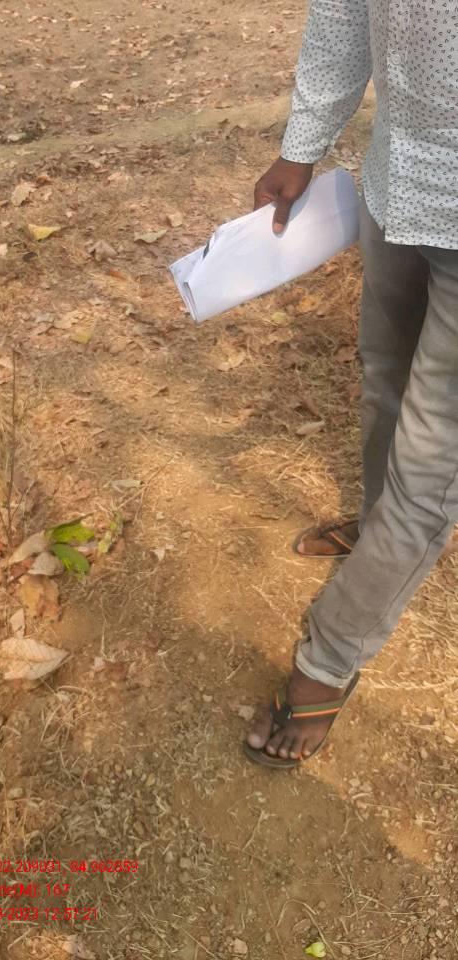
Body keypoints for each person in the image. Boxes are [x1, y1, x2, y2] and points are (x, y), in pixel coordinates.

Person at [244, 0, 458, 769]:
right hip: (397, 184)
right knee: (383, 386)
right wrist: (300, 148)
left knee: (430, 472)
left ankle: (327, 662)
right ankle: (376, 531)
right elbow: (342, 13)